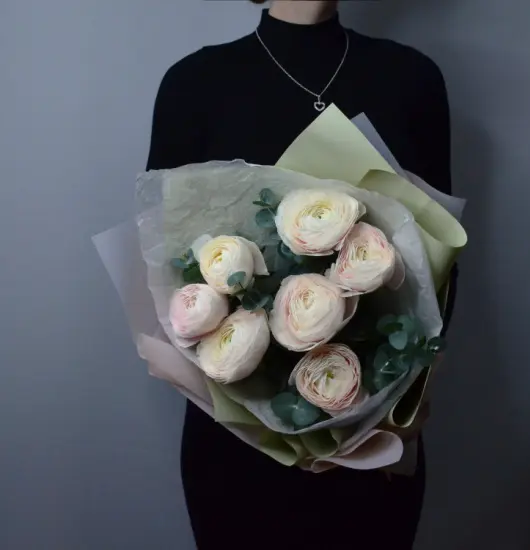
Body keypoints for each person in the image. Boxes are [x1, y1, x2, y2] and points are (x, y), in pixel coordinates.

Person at [147, 1, 454, 548]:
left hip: (375, 441)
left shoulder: (413, 79)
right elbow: (167, 271)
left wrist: (387, 419)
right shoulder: (195, 83)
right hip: (237, 447)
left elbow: (443, 273)